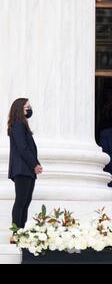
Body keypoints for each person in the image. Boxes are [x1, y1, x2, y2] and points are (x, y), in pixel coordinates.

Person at [8, 98, 42, 237]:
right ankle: (16, 232)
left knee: (26, 202)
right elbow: (23, 148)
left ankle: (21, 232)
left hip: (27, 169)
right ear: (19, 109)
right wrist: (34, 164)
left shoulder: (22, 125)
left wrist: (36, 163)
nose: (29, 110)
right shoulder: (17, 125)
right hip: (23, 169)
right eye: (26, 107)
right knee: (21, 201)